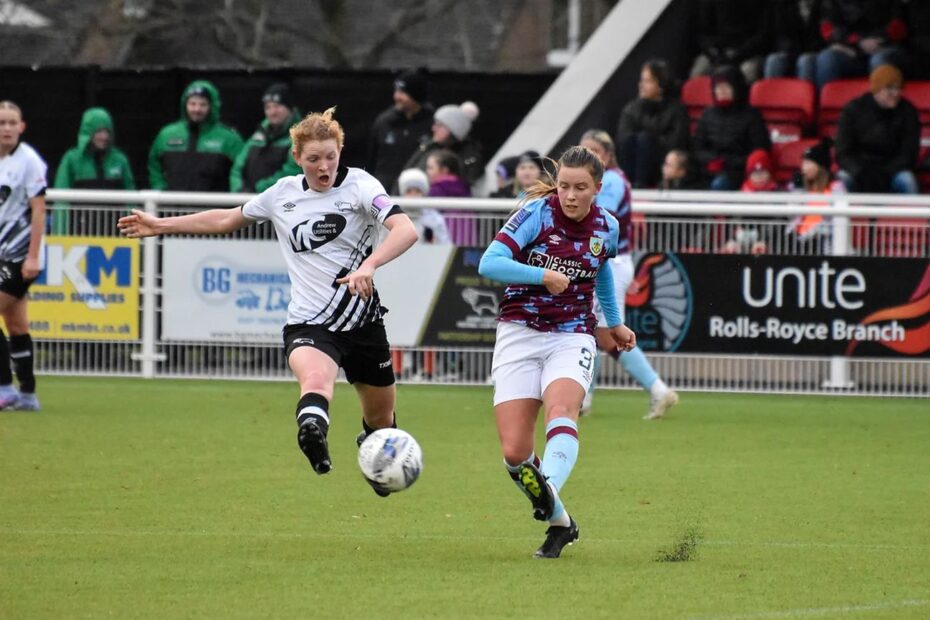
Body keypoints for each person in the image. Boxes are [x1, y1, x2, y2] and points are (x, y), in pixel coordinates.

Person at [119, 108, 419, 496]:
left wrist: (370, 265)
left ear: (341, 150)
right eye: (313, 159)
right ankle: (312, 430)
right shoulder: (282, 195)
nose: (324, 166)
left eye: (330, 156)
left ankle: (374, 451)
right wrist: (161, 225)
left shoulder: (361, 186)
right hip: (310, 322)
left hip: (364, 323)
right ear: (297, 158)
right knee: (315, 380)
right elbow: (226, 219)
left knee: (381, 420)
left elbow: (405, 229)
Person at [477, 145, 636, 559]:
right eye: (564, 185)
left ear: (598, 189)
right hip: (518, 332)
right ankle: (561, 521)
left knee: (562, 412)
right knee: (514, 452)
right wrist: (540, 275)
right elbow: (489, 264)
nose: (569, 195)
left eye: (580, 188)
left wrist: (613, 322)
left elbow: (600, 276)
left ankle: (547, 490)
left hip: (572, 334)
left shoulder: (608, 227)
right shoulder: (536, 213)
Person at [578, 130, 679, 420]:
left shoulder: (610, 181)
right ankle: (584, 399)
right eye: (583, 149)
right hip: (602, 262)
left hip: (611, 263)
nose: (587, 154)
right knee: (595, 332)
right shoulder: (598, 181)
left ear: (607, 155)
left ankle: (658, 390)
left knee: (606, 335)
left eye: (593, 150)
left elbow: (597, 217)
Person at [0, 101, 47, 411]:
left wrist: (33, 257)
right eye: (1, 122)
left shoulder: (29, 160)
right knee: (16, 324)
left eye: (11, 122)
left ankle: (5, 388)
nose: (6, 128)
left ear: (22, 126)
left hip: (18, 255)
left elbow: (39, 209)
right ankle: (28, 394)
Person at [835, 64, 920, 194]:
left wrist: (886, 173)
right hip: (860, 170)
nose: (896, 93)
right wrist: (861, 171)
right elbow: (843, 152)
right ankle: (839, 215)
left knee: (907, 180)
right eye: (890, 89)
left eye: (899, 89)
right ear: (877, 89)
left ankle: (914, 214)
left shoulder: (908, 112)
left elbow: (909, 153)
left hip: (893, 172)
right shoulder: (853, 110)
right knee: (842, 180)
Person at [147, 79, 243, 191]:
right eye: (192, 104)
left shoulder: (229, 138)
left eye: (203, 104)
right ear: (185, 104)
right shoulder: (167, 134)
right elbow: (154, 165)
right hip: (172, 206)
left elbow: (242, 171)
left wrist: (233, 198)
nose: (197, 109)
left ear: (212, 106)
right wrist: (160, 190)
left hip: (213, 206)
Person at [52, 106, 135, 234]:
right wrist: (60, 232)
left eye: (107, 132)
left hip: (114, 233)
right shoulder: (71, 159)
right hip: (78, 232)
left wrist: (131, 231)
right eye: (99, 131)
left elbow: (131, 199)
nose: (104, 137)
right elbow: (61, 201)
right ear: (88, 132)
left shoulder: (119, 159)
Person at [693, 65, 771, 190]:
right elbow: (697, 148)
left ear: (736, 88)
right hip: (707, 169)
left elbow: (759, 151)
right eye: (717, 87)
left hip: (737, 172)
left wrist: (727, 162)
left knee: (719, 184)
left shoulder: (752, 115)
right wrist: (712, 160)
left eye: (726, 86)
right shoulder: (707, 114)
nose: (721, 91)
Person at [616, 59, 690, 188]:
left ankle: (641, 186)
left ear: (661, 85)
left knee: (645, 140)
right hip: (631, 164)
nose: (641, 85)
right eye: (642, 80)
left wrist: (650, 142)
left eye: (648, 81)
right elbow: (623, 138)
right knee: (632, 140)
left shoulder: (677, 111)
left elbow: (677, 143)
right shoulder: (631, 109)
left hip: (661, 164)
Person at [810, 0, 908, 89]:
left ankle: (879, 107)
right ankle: (827, 106)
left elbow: (898, 25)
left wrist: (877, 41)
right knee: (827, 58)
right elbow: (830, 29)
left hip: (883, 47)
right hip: (851, 51)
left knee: (879, 60)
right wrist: (858, 43)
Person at [366, 69, 435, 193]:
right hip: (384, 194)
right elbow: (371, 159)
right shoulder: (384, 122)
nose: (397, 97)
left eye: (403, 92)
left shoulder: (433, 124)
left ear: (416, 95)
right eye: (396, 91)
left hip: (417, 194)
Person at [229, 82, 302, 193]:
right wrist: (239, 189)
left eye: (277, 106)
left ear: (290, 109)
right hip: (247, 200)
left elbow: (292, 171)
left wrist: (260, 189)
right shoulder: (257, 136)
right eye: (268, 107)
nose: (272, 112)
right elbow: (237, 167)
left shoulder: (300, 137)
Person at [689, 0, 774, 84]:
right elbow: (703, 34)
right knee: (698, 74)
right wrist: (715, 52)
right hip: (718, 51)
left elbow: (764, 35)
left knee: (748, 71)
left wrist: (739, 53)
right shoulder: (712, 3)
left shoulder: (761, 3)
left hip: (749, 53)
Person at [785, 138, 845, 252]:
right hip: (799, 243)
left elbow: (834, 222)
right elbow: (792, 215)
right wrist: (797, 189)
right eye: (803, 163)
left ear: (820, 166)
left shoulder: (835, 188)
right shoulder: (803, 189)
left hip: (822, 243)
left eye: (808, 163)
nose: (803, 168)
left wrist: (812, 232)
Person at [405, 103, 484, 186]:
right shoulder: (427, 148)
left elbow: (465, 186)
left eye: (439, 125)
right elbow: (407, 174)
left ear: (454, 130)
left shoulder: (470, 158)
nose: (433, 128)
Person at [721, 148, 779, 254]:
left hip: (767, 241)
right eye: (755, 173)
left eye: (763, 172)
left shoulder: (777, 195)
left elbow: (777, 225)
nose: (759, 177)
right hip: (741, 239)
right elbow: (731, 223)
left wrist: (764, 241)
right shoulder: (739, 196)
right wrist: (732, 240)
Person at [399, 167, 450, 244]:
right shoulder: (393, 217)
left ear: (424, 193)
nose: (413, 195)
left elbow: (444, 244)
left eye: (417, 191)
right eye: (409, 191)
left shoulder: (434, 219)